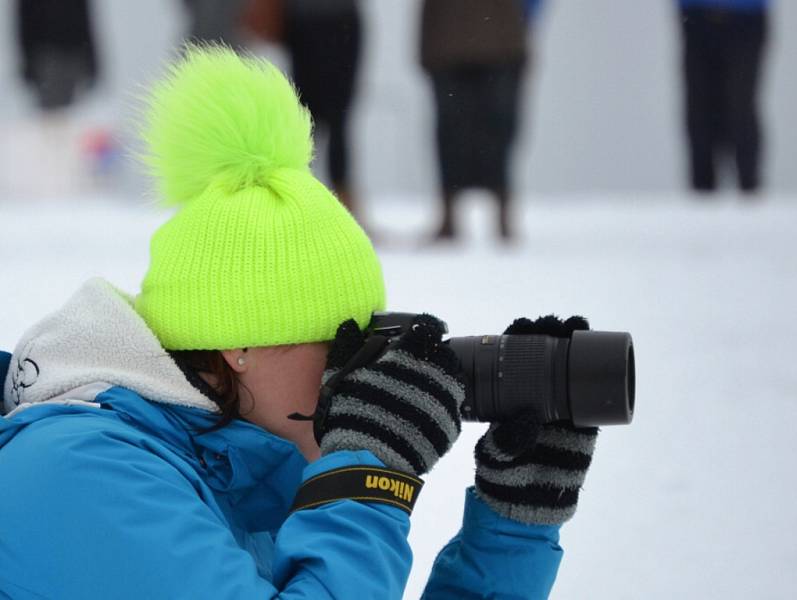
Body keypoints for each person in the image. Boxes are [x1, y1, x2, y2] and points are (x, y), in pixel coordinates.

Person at [0, 46, 598, 598]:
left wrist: (511, 530)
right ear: (237, 345)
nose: (361, 371)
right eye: (339, 342)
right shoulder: (82, 471)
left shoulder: (235, 469)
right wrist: (368, 478)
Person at [420, 0, 529, 242]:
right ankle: (451, 214)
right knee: (452, 131)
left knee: (498, 128)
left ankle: (501, 213)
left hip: (496, 39)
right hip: (453, 40)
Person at [677, 0, 771, 193]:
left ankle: (750, 189)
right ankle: (701, 194)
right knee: (699, 109)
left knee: (740, 106)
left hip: (746, 18)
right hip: (697, 17)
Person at [283, 0, 364, 220]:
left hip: (316, 18)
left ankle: (299, 197)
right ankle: (300, 197)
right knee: (315, 116)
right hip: (321, 19)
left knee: (319, 117)